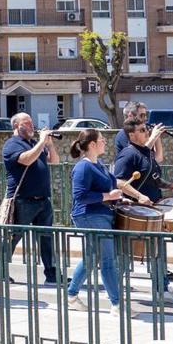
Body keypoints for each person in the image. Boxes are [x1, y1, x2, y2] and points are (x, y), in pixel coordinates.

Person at [66, 129, 151, 311]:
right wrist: (107, 195)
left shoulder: (100, 164)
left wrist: (119, 198)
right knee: (107, 259)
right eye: (102, 139)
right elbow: (80, 196)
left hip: (101, 214)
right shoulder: (83, 167)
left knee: (92, 257)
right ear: (92, 144)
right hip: (88, 215)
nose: (105, 142)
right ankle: (117, 304)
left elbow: (112, 189)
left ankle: (71, 295)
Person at [113, 117, 173, 301]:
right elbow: (118, 181)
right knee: (127, 253)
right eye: (142, 130)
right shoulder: (128, 154)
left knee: (157, 250)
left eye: (146, 129)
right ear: (132, 134)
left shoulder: (146, 153)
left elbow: (155, 179)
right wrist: (139, 196)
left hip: (152, 211)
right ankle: (115, 289)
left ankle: (162, 289)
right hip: (135, 212)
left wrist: (169, 185)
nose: (146, 132)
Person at [0, 113, 60, 285]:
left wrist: (50, 145)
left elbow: (54, 161)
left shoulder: (33, 143)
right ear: (16, 126)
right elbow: (26, 160)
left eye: (32, 122)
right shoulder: (12, 144)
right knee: (14, 236)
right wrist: (41, 142)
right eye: (27, 123)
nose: (32, 126)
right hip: (23, 199)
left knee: (46, 237)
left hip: (43, 199)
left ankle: (52, 273)